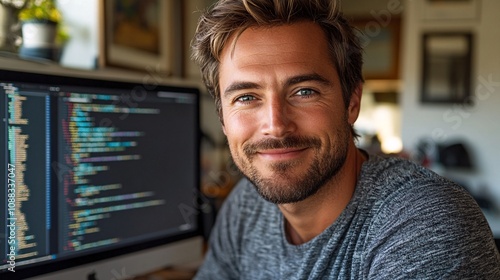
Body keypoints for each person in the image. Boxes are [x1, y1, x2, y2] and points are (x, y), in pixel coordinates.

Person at [191, 0, 500, 278]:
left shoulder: (426, 222)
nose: (276, 126)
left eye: (304, 92)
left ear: (352, 102)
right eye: (246, 97)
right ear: (222, 119)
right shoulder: (245, 205)